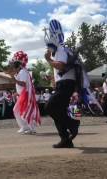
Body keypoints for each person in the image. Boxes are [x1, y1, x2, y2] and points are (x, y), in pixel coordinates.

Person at [44, 19, 79, 148]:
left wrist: (48, 59)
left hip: (66, 84)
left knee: (50, 107)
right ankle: (65, 139)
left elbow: (61, 66)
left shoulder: (60, 49)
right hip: (64, 84)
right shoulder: (61, 50)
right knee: (59, 111)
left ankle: (72, 124)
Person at [9, 51, 41, 135]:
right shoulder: (21, 72)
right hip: (23, 94)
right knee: (19, 110)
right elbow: (22, 85)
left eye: (13, 67)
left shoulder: (23, 72)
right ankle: (26, 127)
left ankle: (30, 128)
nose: (12, 69)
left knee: (23, 110)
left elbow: (23, 83)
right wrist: (17, 93)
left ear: (17, 67)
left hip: (26, 95)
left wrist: (14, 80)